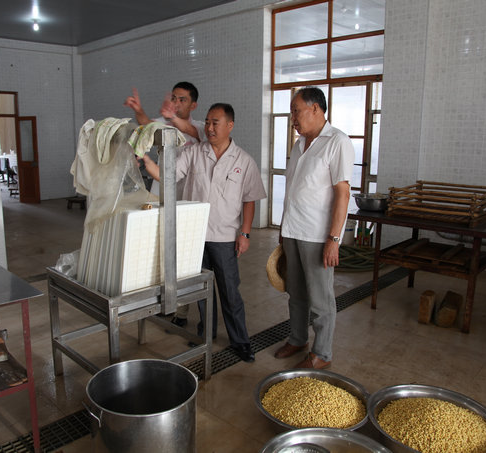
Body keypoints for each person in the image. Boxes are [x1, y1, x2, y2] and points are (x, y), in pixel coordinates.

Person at [141, 103, 267, 363]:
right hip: (195, 235)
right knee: (201, 290)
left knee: (230, 292)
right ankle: (205, 334)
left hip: (224, 237)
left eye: (215, 123)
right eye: (207, 122)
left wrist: (245, 234)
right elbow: (167, 176)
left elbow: (249, 200)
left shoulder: (243, 161)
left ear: (230, 125)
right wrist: (145, 160)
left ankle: (240, 341)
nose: (209, 127)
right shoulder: (194, 153)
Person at [273, 87, 353, 369]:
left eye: (296, 111)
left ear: (316, 109)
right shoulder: (298, 145)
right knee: (295, 293)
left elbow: (343, 193)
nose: (293, 118)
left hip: (318, 235)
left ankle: (322, 353)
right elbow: (293, 190)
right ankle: (298, 339)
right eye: (292, 112)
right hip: (293, 231)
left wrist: (334, 239)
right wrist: (283, 228)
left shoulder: (337, 141)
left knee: (320, 299)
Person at [125, 81, 206, 328]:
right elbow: (147, 124)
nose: (176, 103)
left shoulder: (200, 127)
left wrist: (172, 118)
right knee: (159, 250)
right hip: (160, 195)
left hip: (185, 199)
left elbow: (189, 130)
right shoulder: (164, 123)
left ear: (193, 105)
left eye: (182, 99)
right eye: (174, 98)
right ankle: (164, 303)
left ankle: (181, 312)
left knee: (184, 256)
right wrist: (139, 110)